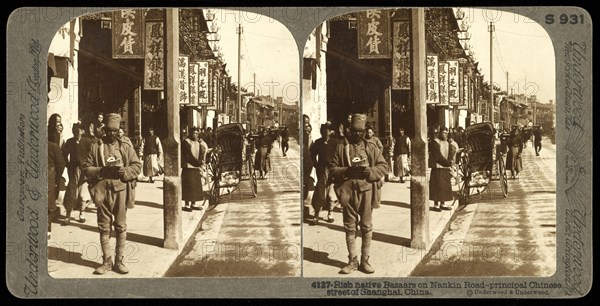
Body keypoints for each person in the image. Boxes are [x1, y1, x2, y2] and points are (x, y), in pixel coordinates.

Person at [328, 114, 388, 274]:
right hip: (347, 192)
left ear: (365, 131)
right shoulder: (341, 147)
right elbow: (332, 169)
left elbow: (384, 166)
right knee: (349, 227)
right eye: (354, 131)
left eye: (361, 131)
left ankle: (365, 260)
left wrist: (370, 171)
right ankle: (352, 261)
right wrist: (347, 170)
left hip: (366, 191)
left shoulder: (371, 147)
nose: (357, 134)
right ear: (349, 130)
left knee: (367, 226)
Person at [83, 113, 141, 275]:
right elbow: (86, 168)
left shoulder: (125, 147)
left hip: (121, 191)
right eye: (108, 131)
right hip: (102, 191)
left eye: (115, 131)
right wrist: (101, 170)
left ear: (119, 131)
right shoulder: (96, 146)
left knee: (121, 226)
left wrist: (124, 171)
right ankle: (107, 261)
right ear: (104, 130)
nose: (112, 134)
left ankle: (119, 261)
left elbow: (137, 166)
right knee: (103, 227)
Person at [61, 123, 93, 225]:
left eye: (78, 131)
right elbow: (64, 154)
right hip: (73, 170)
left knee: (83, 194)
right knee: (71, 192)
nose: (76, 133)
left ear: (82, 131)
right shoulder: (70, 142)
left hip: (84, 171)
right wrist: (67, 164)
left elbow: (91, 155)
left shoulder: (87, 142)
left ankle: (82, 213)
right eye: (74, 131)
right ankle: (68, 215)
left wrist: (88, 166)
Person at [310, 123, 335, 225]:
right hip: (321, 170)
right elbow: (312, 155)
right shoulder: (318, 142)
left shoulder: (335, 143)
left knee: (331, 193)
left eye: (327, 131)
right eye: (323, 131)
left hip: (332, 170)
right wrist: (316, 165)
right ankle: (316, 215)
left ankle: (330, 213)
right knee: (319, 192)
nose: (325, 133)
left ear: (330, 132)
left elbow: (339, 155)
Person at [181, 127, 206, 211]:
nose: (196, 135)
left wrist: (201, 161)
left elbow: (201, 154)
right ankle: (187, 204)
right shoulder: (186, 142)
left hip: (195, 167)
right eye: (194, 133)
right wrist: (197, 163)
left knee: (195, 186)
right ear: (190, 133)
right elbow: (188, 156)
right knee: (188, 186)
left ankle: (193, 203)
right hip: (188, 167)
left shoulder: (198, 143)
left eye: (197, 134)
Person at [429, 128, 453, 212]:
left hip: (445, 168)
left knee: (444, 186)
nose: (445, 134)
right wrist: (447, 163)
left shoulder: (447, 143)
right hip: (437, 167)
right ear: (440, 133)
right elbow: (437, 156)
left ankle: (443, 203)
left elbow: (450, 153)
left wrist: (450, 161)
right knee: (437, 186)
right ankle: (436, 205)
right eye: (443, 133)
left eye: (446, 133)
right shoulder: (435, 142)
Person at [48, 129, 66, 240]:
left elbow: (61, 165)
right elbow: (61, 165)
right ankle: (47, 229)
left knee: (48, 205)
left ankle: (46, 229)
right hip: (50, 180)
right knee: (48, 206)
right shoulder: (54, 146)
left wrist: (57, 179)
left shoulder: (53, 147)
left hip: (49, 179)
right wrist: (57, 179)